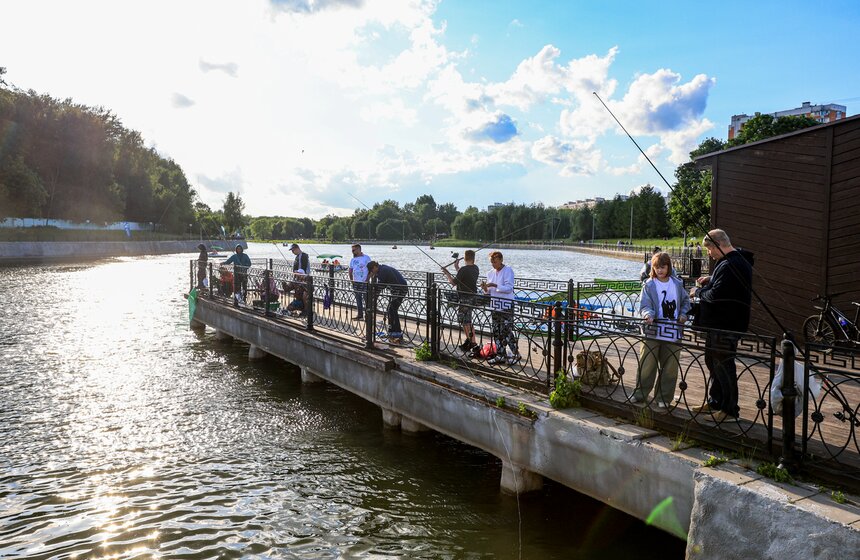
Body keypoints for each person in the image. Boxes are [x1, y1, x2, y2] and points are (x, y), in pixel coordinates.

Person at [689, 229, 753, 422]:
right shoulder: (731, 262)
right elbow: (723, 287)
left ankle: (729, 410)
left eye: (709, 250)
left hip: (726, 325)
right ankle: (716, 401)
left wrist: (697, 293)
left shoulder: (732, 264)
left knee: (724, 366)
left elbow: (717, 296)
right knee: (713, 362)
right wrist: (712, 279)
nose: (709, 254)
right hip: (719, 325)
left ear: (718, 245)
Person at [632, 252, 691, 408]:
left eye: (663, 267)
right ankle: (640, 394)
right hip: (652, 329)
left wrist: (684, 314)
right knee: (647, 364)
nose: (660, 270)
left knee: (670, 367)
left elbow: (686, 301)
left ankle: (663, 398)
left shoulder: (677, 284)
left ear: (669, 267)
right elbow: (644, 305)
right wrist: (648, 314)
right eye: (657, 267)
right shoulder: (649, 285)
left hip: (673, 331)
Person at [481, 251, 519, 365]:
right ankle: (500, 355)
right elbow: (488, 292)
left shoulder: (508, 270)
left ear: (501, 260)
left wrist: (494, 285)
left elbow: (509, 288)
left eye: (495, 262)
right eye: (491, 262)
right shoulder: (490, 273)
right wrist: (485, 288)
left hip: (506, 305)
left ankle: (515, 353)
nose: (493, 264)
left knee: (506, 331)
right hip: (495, 305)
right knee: (496, 331)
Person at [441, 249, 479, 352]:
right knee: (467, 321)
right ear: (473, 258)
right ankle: (470, 341)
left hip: (464, 298)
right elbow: (464, 277)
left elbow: (453, 282)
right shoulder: (475, 268)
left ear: (465, 258)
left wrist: (446, 272)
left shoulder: (464, 269)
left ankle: (473, 343)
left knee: (465, 321)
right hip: (472, 297)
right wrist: (457, 267)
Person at [367, 261, 408, 344]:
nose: (371, 272)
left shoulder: (383, 271)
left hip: (400, 290)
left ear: (375, 267)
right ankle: (392, 333)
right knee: (391, 310)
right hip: (397, 289)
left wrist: (374, 297)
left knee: (392, 310)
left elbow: (380, 286)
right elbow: (382, 285)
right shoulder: (381, 270)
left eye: (371, 270)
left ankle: (397, 335)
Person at [349, 244, 372, 321]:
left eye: (354, 250)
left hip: (364, 282)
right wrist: (352, 280)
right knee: (358, 300)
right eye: (352, 250)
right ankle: (360, 315)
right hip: (356, 282)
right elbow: (350, 270)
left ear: (359, 249)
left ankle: (368, 316)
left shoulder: (366, 258)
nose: (352, 252)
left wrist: (367, 280)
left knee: (367, 300)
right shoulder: (353, 260)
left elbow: (371, 270)